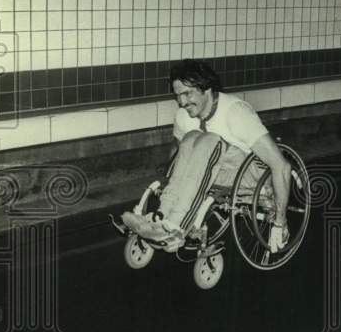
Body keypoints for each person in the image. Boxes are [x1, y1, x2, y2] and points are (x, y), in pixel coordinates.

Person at [121, 59, 293, 252]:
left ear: (207, 89)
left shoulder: (235, 113)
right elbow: (178, 155)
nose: (182, 102)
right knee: (191, 137)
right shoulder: (184, 115)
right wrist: (166, 183)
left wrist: (280, 221)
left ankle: (176, 226)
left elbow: (282, 166)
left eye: (187, 93)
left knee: (210, 140)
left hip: (252, 178)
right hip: (212, 170)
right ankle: (160, 218)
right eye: (177, 95)